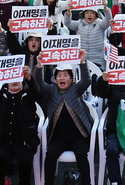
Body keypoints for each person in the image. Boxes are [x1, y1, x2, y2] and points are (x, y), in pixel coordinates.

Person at [33, 56, 93, 185]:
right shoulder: (52, 90)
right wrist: (39, 66)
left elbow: (87, 81)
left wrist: (83, 62)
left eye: (66, 75)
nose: (62, 78)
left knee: (82, 154)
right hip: (59, 138)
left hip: (79, 136)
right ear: (55, 78)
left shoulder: (76, 89)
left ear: (71, 79)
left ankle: (87, 182)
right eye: (59, 75)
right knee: (50, 155)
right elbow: (39, 83)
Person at [0, 66, 40, 185]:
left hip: (24, 141)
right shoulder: (2, 95)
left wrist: (29, 77)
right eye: (11, 79)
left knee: (25, 162)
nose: (14, 82)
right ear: (6, 82)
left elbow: (36, 92)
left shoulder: (28, 96)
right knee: (0, 159)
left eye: (17, 79)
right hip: (5, 141)